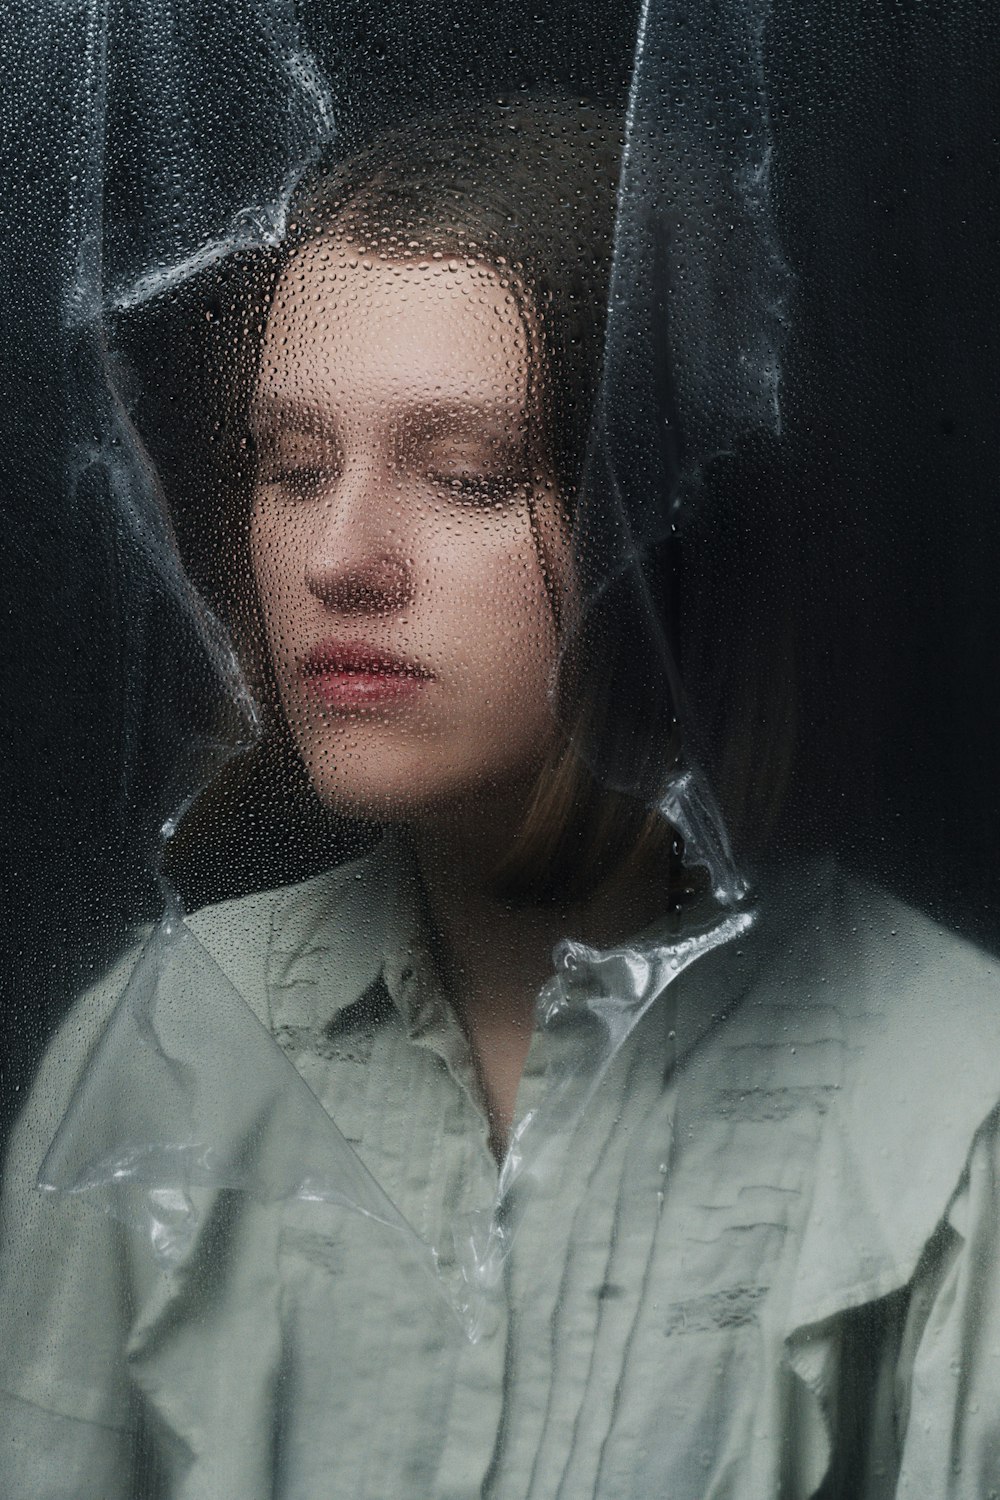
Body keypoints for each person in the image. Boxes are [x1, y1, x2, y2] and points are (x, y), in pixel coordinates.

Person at [2, 99, 1000, 1500]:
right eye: (293, 468)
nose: (338, 557)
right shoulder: (160, 1047)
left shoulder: (956, 1117)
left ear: (677, 530)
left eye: (467, 478)